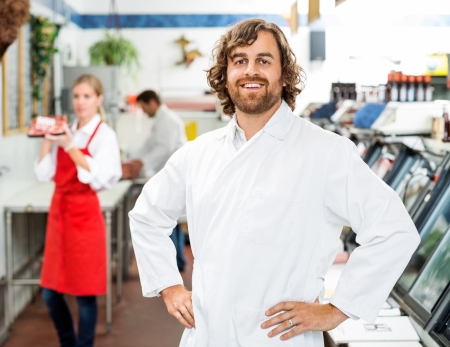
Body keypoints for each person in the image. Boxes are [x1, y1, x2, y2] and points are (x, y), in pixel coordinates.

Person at [129, 19, 420, 347]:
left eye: (263, 61)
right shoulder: (198, 154)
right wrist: (170, 287)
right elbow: (146, 217)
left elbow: (394, 230)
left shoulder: (326, 152)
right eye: (240, 61)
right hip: (207, 334)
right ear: (225, 75)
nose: (250, 70)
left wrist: (337, 310)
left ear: (284, 76)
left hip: (278, 339)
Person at [35, 74, 122, 347]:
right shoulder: (67, 127)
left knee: (85, 293)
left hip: (84, 217)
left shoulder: (104, 136)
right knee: (50, 293)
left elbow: (100, 177)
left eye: (86, 96)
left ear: (99, 99)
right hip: (59, 214)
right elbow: (43, 172)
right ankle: (67, 342)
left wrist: (70, 146)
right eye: (76, 96)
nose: (80, 102)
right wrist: (47, 140)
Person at [124, 90, 188, 271]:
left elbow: (164, 149)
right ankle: (179, 260)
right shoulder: (160, 121)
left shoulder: (167, 120)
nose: (143, 112)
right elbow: (150, 144)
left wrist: (142, 162)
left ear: (151, 102)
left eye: (143, 107)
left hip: (176, 177)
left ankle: (177, 262)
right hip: (169, 176)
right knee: (171, 220)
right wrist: (136, 159)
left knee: (170, 220)